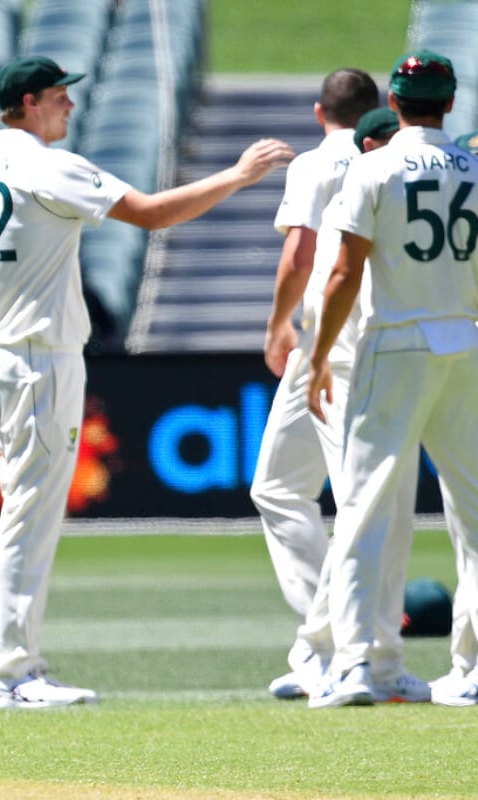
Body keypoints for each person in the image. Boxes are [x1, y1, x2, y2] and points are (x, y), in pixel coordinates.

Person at [0, 55, 293, 709]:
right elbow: (153, 214)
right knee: (30, 515)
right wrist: (240, 175)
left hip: (3, 357)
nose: (70, 107)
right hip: (40, 359)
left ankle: (16, 666)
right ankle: (12, 672)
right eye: (57, 96)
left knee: (28, 512)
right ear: (26, 103)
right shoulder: (46, 166)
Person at [306, 51, 478, 708]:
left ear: (397, 104)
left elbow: (345, 273)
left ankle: (357, 665)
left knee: (363, 507)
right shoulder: (475, 168)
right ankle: (471, 668)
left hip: (395, 342)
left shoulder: (371, 167)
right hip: (463, 341)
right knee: (474, 512)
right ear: (451, 103)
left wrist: (320, 354)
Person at [248, 70, 383, 700]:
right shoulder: (388, 154)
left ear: (317, 111)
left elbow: (300, 256)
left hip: (328, 339)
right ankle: (322, 642)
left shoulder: (315, 162)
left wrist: (279, 325)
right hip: (378, 332)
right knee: (281, 486)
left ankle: (343, 648)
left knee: (326, 494)